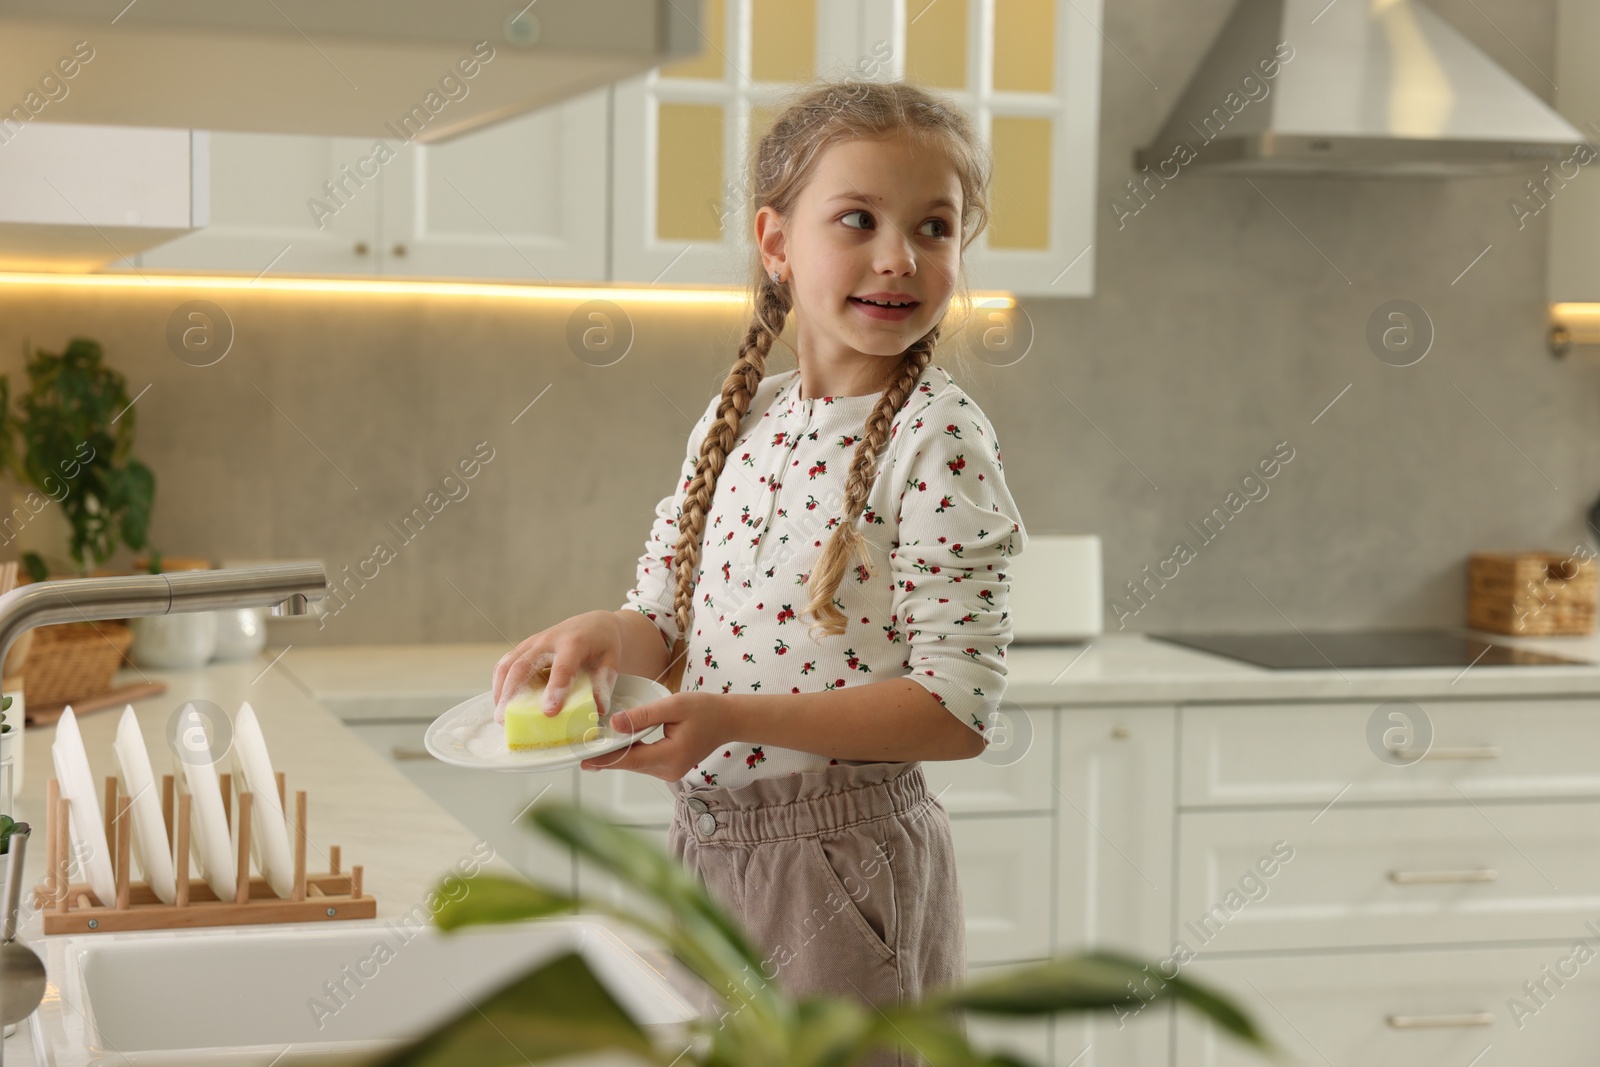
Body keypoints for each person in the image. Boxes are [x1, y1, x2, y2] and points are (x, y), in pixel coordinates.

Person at [492, 77, 1028, 1067]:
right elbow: (664, 614)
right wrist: (603, 636)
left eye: (934, 226)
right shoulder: (740, 418)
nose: (899, 256)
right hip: (710, 846)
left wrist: (732, 718)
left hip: (844, 863)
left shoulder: (937, 437)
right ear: (776, 243)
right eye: (857, 219)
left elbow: (955, 711)